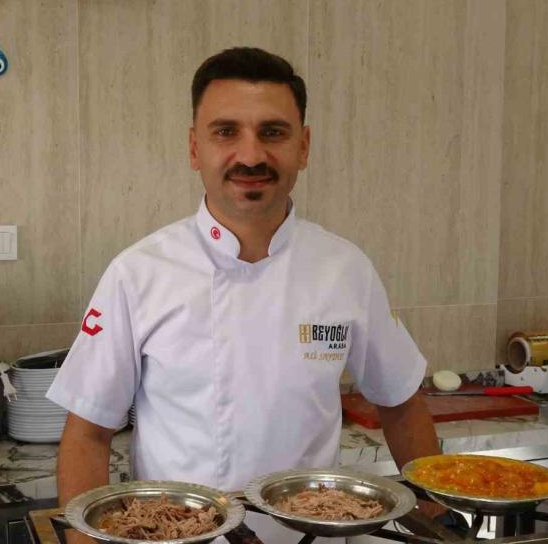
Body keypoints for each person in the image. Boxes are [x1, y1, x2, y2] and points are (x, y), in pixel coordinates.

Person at [47, 47, 454, 544]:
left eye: (273, 132)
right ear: (194, 148)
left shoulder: (345, 269)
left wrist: (437, 518)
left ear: (303, 147)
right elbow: (88, 432)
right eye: (226, 132)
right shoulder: (137, 273)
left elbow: (401, 402)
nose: (251, 155)